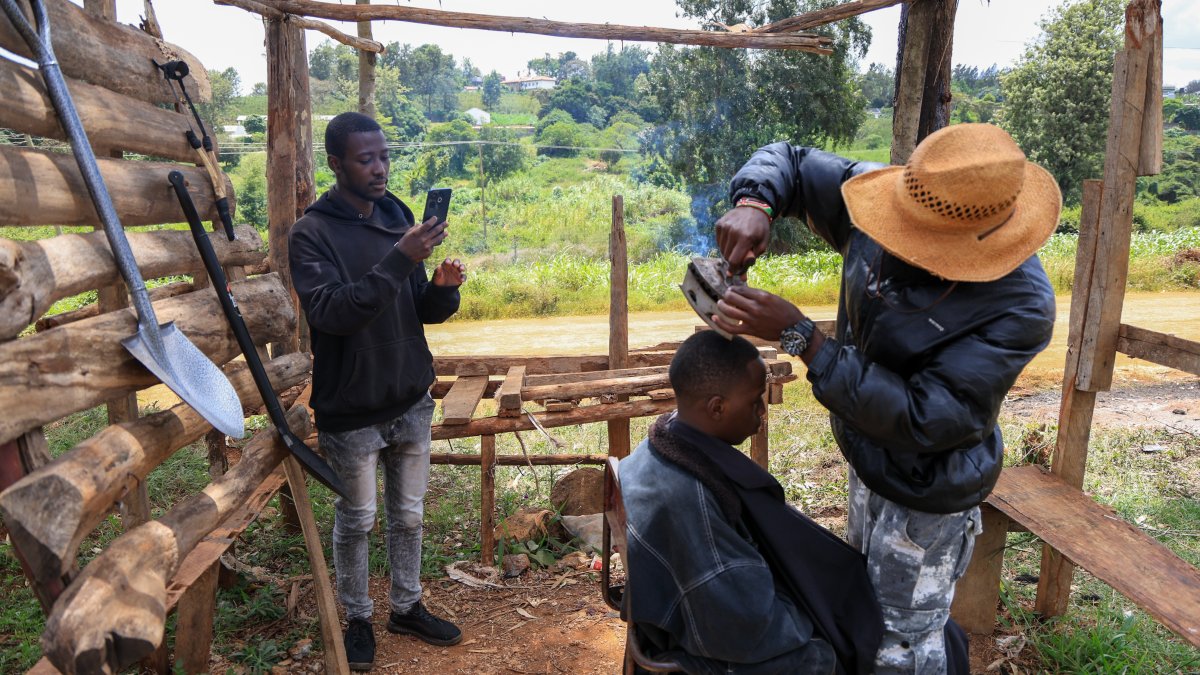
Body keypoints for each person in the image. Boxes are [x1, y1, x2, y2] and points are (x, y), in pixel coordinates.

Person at [710, 123, 1058, 674]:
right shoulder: (884, 199)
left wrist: (805, 338)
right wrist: (756, 201)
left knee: (903, 641)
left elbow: (928, 417)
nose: (895, 246)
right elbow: (792, 160)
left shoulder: (1018, 307)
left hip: (928, 487)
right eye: (898, 230)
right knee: (866, 605)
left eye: (919, 247)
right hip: (868, 456)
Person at [289, 112, 467, 671]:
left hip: (410, 396)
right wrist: (400, 256)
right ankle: (359, 616)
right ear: (336, 163)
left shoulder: (397, 216)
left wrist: (440, 291)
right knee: (358, 518)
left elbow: (412, 308)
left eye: (384, 156)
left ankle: (407, 606)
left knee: (410, 516)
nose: (380, 168)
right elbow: (334, 312)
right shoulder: (311, 234)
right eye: (366, 159)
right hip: (352, 409)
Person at [620, 330, 884, 675]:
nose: (762, 410)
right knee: (834, 653)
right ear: (717, 407)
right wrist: (809, 615)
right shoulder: (688, 501)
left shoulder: (663, 441)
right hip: (713, 639)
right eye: (755, 400)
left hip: (687, 608)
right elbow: (747, 629)